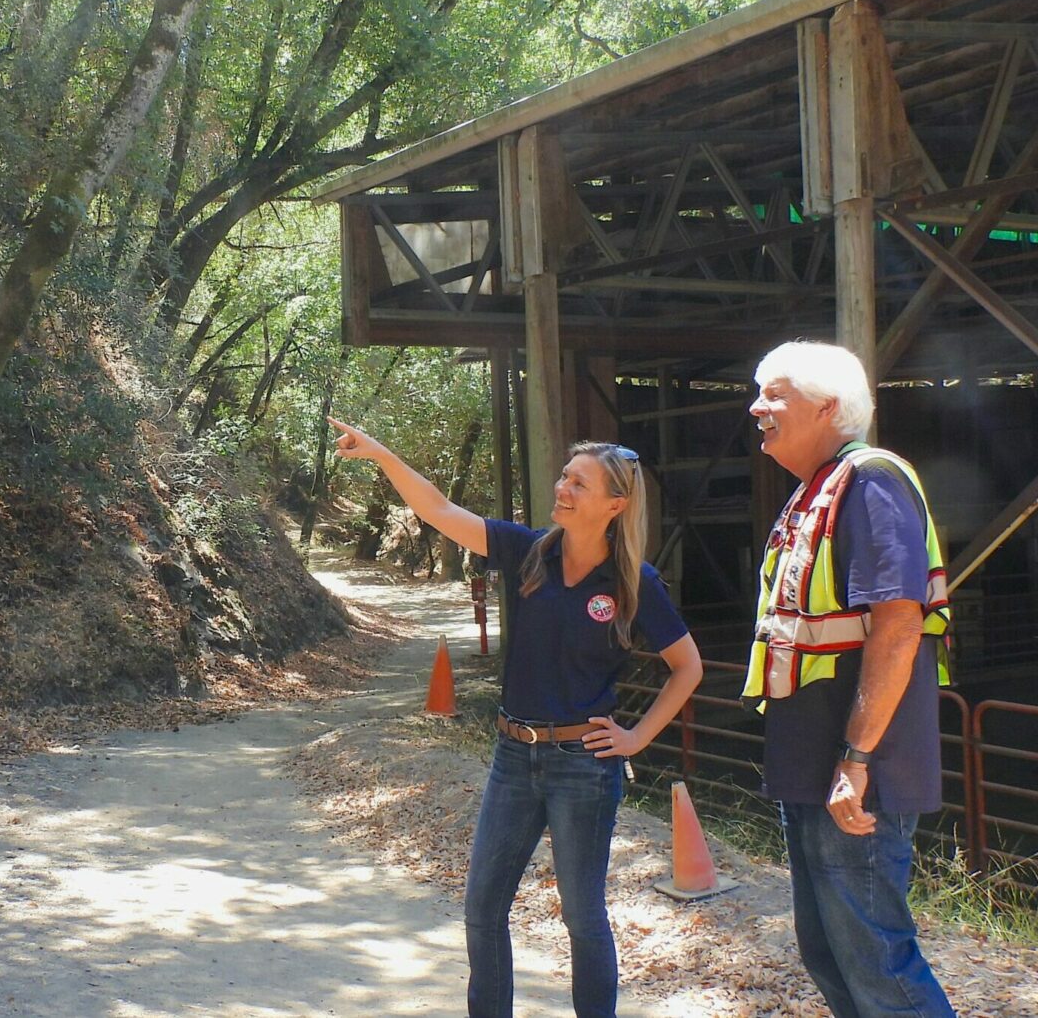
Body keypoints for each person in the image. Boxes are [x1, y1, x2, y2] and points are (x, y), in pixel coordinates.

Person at [328, 417, 703, 1018]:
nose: (563, 488)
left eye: (579, 484)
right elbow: (441, 509)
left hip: (584, 765)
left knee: (582, 918)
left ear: (614, 503)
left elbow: (688, 667)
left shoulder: (635, 582)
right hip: (511, 756)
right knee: (482, 908)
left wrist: (635, 738)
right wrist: (382, 455)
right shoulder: (529, 551)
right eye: (564, 477)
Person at [742, 340, 956, 1018]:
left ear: (828, 406)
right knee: (831, 954)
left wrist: (856, 757)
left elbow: (897, 627)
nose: (757, 407)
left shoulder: (871, 480)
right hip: (814, 768)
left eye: (775, 394)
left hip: (859, 774)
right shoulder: (817, 491)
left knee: (878, 966)